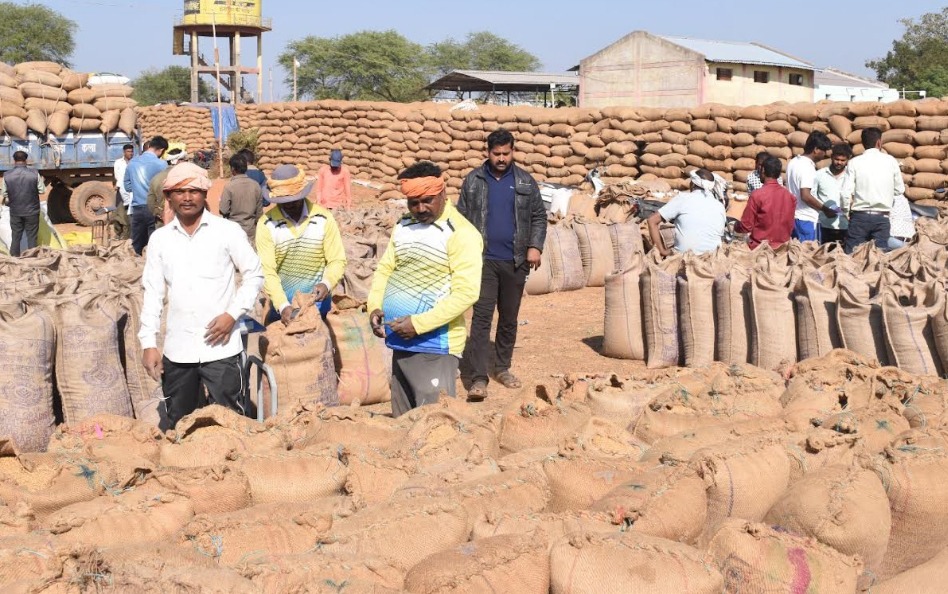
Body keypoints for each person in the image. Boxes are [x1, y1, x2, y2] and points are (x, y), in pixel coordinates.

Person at [139, 162, 264, 432]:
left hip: (221, 350)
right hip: (179, 350)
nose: (187, 197)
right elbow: (152, 292)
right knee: (181, 426)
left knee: (230, 425)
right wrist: (148, 342)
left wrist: (232, 315)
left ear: (205, 194)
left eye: (194, 190)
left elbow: (254, 274)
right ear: (169, 197)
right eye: (180, 191)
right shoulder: (160, 240)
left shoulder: (226, 231)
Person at [367, 161, 483, 417]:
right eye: (413, 202)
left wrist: (419, 324)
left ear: (442, 192)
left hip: (436, 344)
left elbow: (467, 293)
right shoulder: (403, 226)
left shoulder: (461, 233)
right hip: (401, 341)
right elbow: (385, 269)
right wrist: (374, 305)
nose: (420, 208)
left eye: (427, 200)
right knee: (403, 419)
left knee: (433, 423)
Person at [456, 128, 546, 401]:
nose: (501, 158)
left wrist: (534, 246)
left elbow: (539, 216)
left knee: (509, 318)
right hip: (482, 262)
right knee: (482, 319)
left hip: (515, 261)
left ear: (513, 151)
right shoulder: (473, 181)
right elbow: (460, 220)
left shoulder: (526, 182)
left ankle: (503, 368)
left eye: (506, 153)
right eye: (496, 154)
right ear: (488, 152)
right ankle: (479, 377)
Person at [256, 164, 347, 323]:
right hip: (284, 309)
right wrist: (283, 305)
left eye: (293, 200)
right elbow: (267, 270)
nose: (289, 204)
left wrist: (326, 283)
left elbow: (337, 260)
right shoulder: (266, 224)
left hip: (319, 308)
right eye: (283, 201)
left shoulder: (323, 218)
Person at [841, 127, 905, 254]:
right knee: (878, 258)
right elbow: (900, 190)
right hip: (881, 218)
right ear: (879, 142)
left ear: (863, 144)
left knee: (852, 257)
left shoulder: (854, 162)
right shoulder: (891, 161)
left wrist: (845, 212)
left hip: (859, 217)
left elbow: (845, 193)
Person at [647, 168, 726, 257]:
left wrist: (661, 251)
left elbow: (652, 220)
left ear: (692, 184)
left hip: (684, 258)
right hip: (712, 258)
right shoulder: (720, 206)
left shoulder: (683, 199)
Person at [736, 156, 796, 249]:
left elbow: (746, 226)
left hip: (760, 249)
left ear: (763, 170)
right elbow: (790, 225)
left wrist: (735, 226)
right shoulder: (790, 197)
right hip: (783, 249)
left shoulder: (757, 195)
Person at [787, 131, 836, 242]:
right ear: (816, 149)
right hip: (807, 219)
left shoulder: (793, 162)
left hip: (794, 217)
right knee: (809, 256)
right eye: (823, 151)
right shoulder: (807, 167)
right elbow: (805, 195)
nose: (824, 155)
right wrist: (825, 210)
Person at [124, 135, 169, 254]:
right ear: (161, 150)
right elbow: (165, 186)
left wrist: (138, 187)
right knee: (155, 245)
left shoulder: (132, 163)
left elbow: (127, 187)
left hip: (137, 208)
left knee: (137, 245)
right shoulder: (162, 165)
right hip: (154, 209)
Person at [1, 151, 45, 256]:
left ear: (14, 161)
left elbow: (4, 193)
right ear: (26, 160)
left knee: (16, 236)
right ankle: (32, 259)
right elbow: (42, 190)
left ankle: (14, 259)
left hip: (15, 211)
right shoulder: (35, 173)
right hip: (32, 211)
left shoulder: (7, 175)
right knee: (32, 236)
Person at [812, 143, 852, 245]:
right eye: (837, 159)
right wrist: (825, 210)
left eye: (843, 160)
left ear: (848, 160)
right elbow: (812, 197)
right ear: (831, 157)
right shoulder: (820, 175)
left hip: (846, 226)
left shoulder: (851, 176)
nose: (839, 162)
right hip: (825, 225)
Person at [220, 153, 263, 245]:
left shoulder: (229, 187)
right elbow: (259, 213)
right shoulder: (255, 185)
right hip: (250, 230)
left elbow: (223, 210)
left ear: (232, 169)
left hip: (233, 229)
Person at [145, 143, 189, 229]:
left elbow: (150, 202)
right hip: (184, 223)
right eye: (183, 160)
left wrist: (160, 214)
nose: (186, 162)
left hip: (162, 223)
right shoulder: (186, 177)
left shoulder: (156, 178)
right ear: (176, 161)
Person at [112, 143, 134, 240]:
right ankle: (118, 232)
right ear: (124, 152)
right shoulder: (118, 163)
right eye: (128, 151)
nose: (130, 153)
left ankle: (128, 233)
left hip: (131, 191)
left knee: (130, 213)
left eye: (132, 151)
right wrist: (118, 185)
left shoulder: (135, 162)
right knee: (119, 213)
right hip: (121, 190)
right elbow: (117, 176)